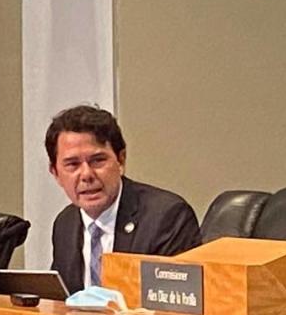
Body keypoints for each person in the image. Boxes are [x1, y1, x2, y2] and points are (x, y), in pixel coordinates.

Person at [46, 105, 201, 294]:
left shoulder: (166, 217)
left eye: (97, 160)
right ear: (55, 173)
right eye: (72, 164)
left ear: (121, 161)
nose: (86, 174)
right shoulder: (65, 224)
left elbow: (177, 306)